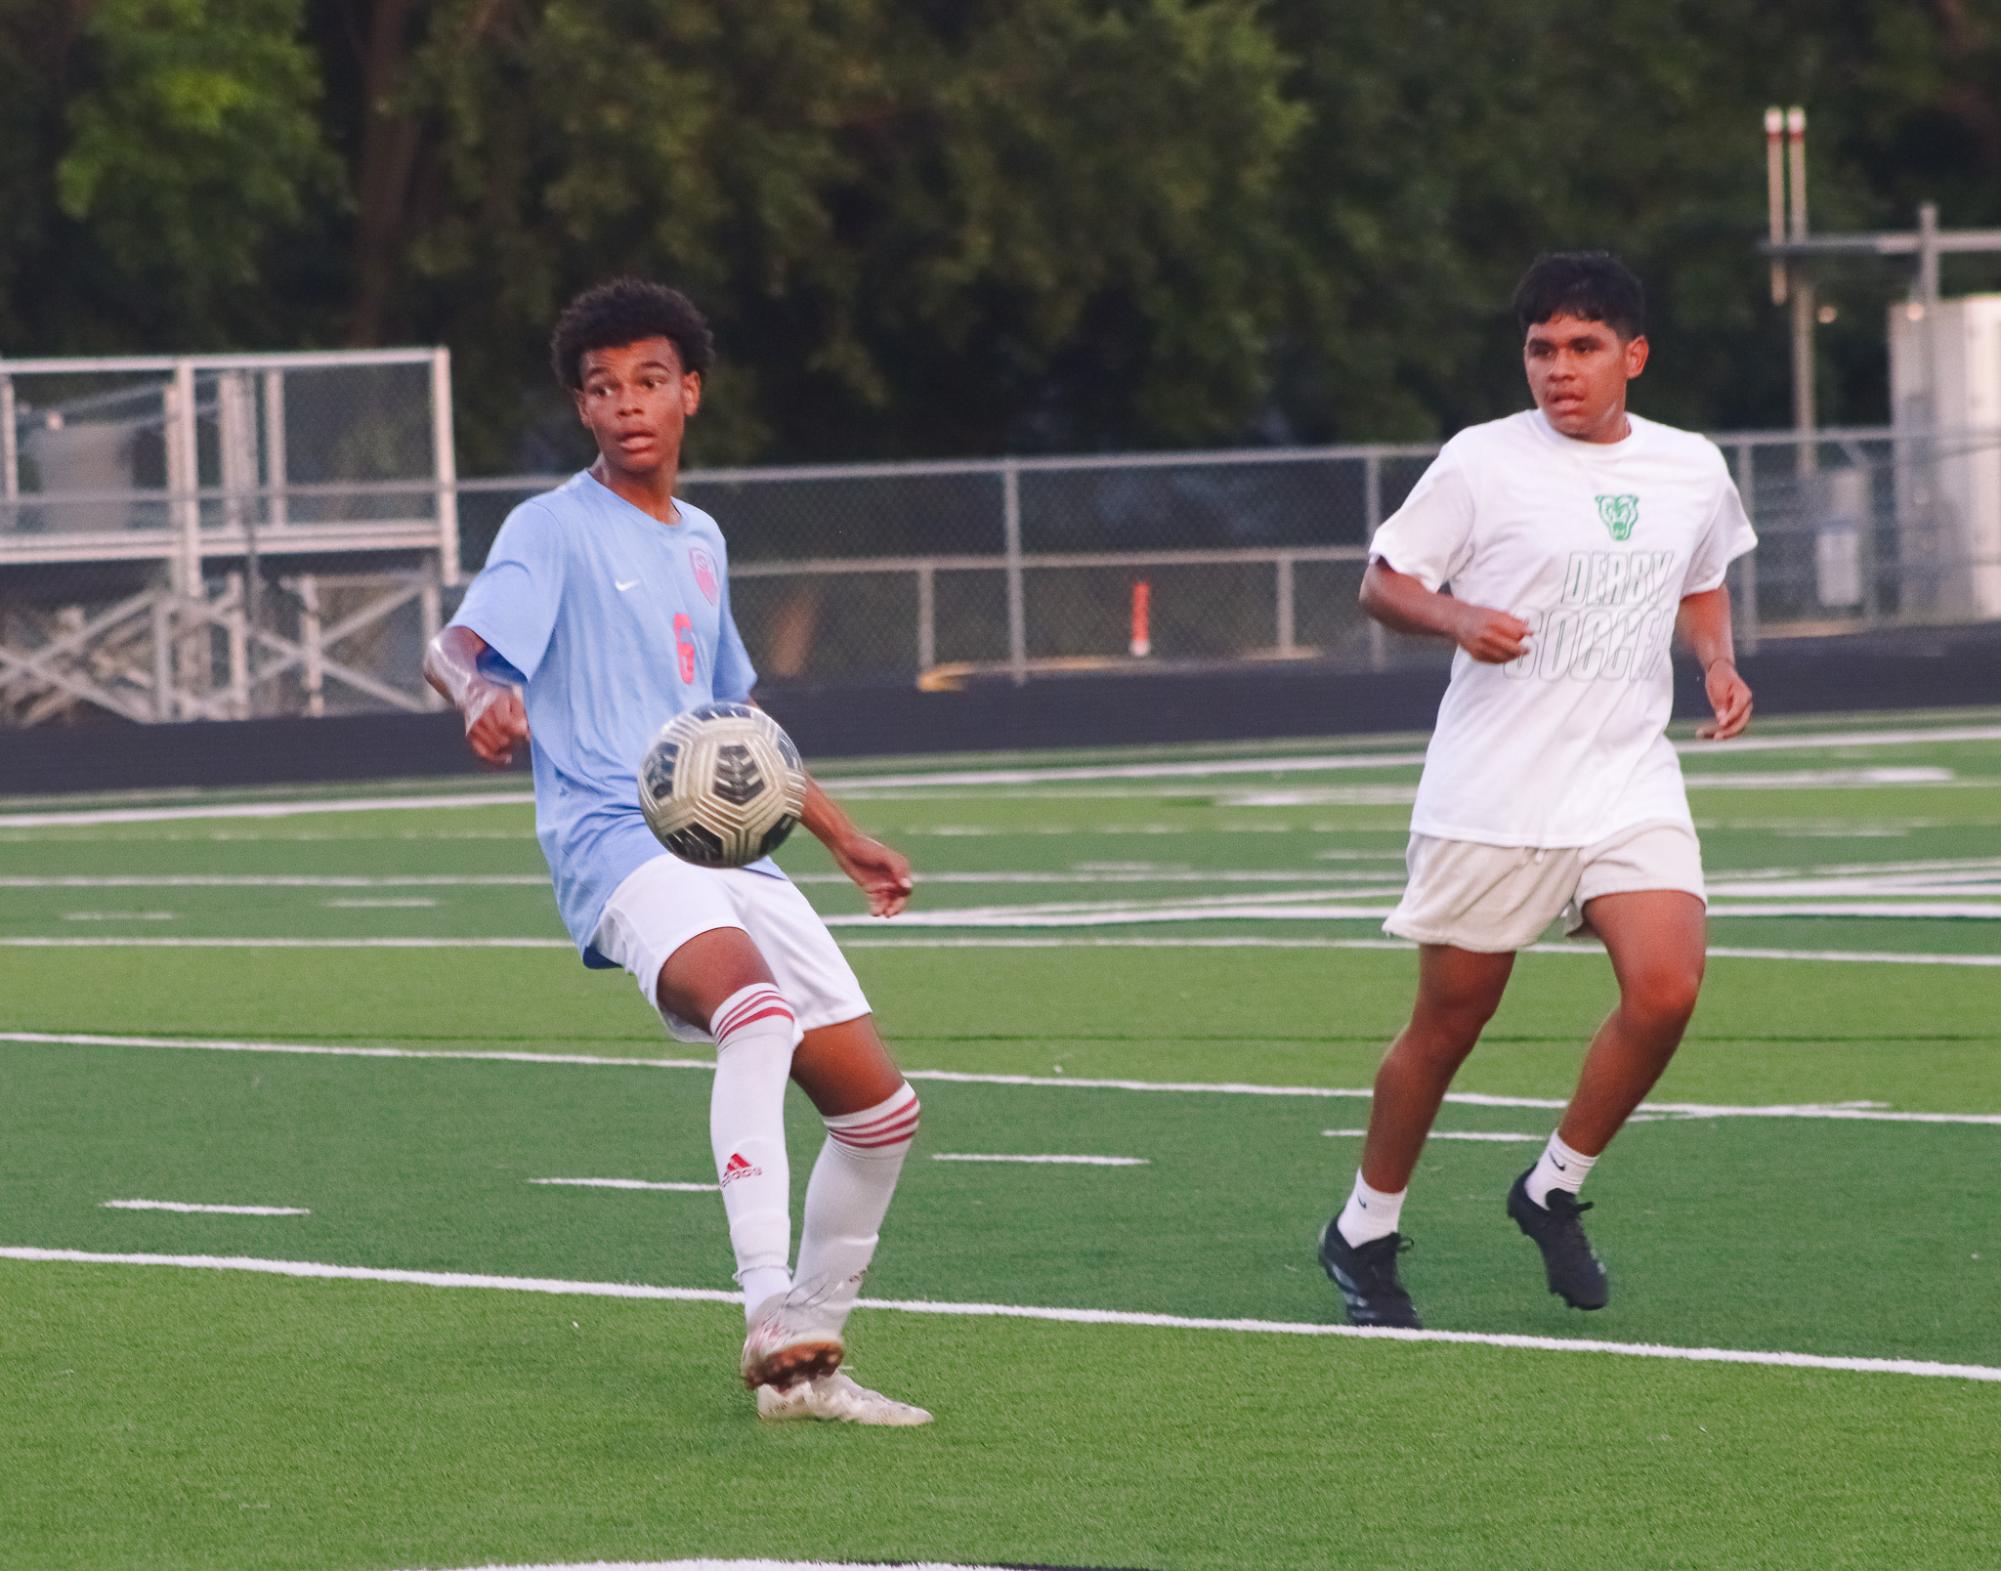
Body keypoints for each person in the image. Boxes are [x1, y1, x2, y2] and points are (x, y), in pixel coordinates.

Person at [424, 278, 930, 1424]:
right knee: (752, 1015)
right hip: (616, 844)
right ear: (584, 409)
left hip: (732, 857)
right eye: (602, 390)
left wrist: (844, 839)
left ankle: (811, 1361)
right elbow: (454, 645)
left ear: (689, 391)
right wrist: (476, 696)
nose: (626, 405)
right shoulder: (550, 527)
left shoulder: (702, 539)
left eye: (649, 381)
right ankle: (766, 1306)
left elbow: (741, 733)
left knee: (880, 1112)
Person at [1318, 251, 1756, 1329]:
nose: (1558, 370)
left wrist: (1716, 660)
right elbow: (1384, 580)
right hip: (1495, 793)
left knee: (1667, 988)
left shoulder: (1691, 466)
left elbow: (1701, 579)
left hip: (1626, 777)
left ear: (1633, 356)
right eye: (1541, 350)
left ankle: (1551, 1184)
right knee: (1449, 1026)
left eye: (1583, 348)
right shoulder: (1482, 461)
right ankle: (1364, 1227)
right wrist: (1460, 618)